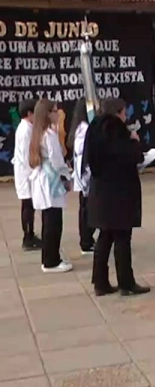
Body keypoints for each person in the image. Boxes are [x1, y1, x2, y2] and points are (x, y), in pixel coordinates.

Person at [84, 98, 150, 296]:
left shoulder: (93, 129)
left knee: (105, 236)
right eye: (124, 113)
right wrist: (135, 142)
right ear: (118, 113)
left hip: (100, 191)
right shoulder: (115, 131)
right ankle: (126, 282)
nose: (126, 117)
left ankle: (100, 282)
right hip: (118, 192)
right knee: (122, 236)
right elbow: (130, 156)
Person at [28, 99, 71, 273]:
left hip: (44, 178)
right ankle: (51, 261)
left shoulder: (38, 133)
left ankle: (50, 257)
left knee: (49, 220)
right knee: (54, 221)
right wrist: (67, 173)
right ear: (47, 114)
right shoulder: (49, 134)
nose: (57, 114)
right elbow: (56, 160)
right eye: (54, 111)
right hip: (50, 180)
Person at [67, 98, 95, 254]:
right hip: (85, 172)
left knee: (85, 207)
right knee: (87, 208)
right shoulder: (84, 128)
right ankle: (86, 241)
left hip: (82, 171)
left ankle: (87, 239)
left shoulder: (78, 127)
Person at [13, 99, 40, 251]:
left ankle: (30, 234)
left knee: (29, 206)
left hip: (28, 173)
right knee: (27, 207)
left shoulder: (28, 128)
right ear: (30, 113)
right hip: (26, 174)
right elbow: (25, 156)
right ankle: (27, 237)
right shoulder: (25, 130)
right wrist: (33, 171)